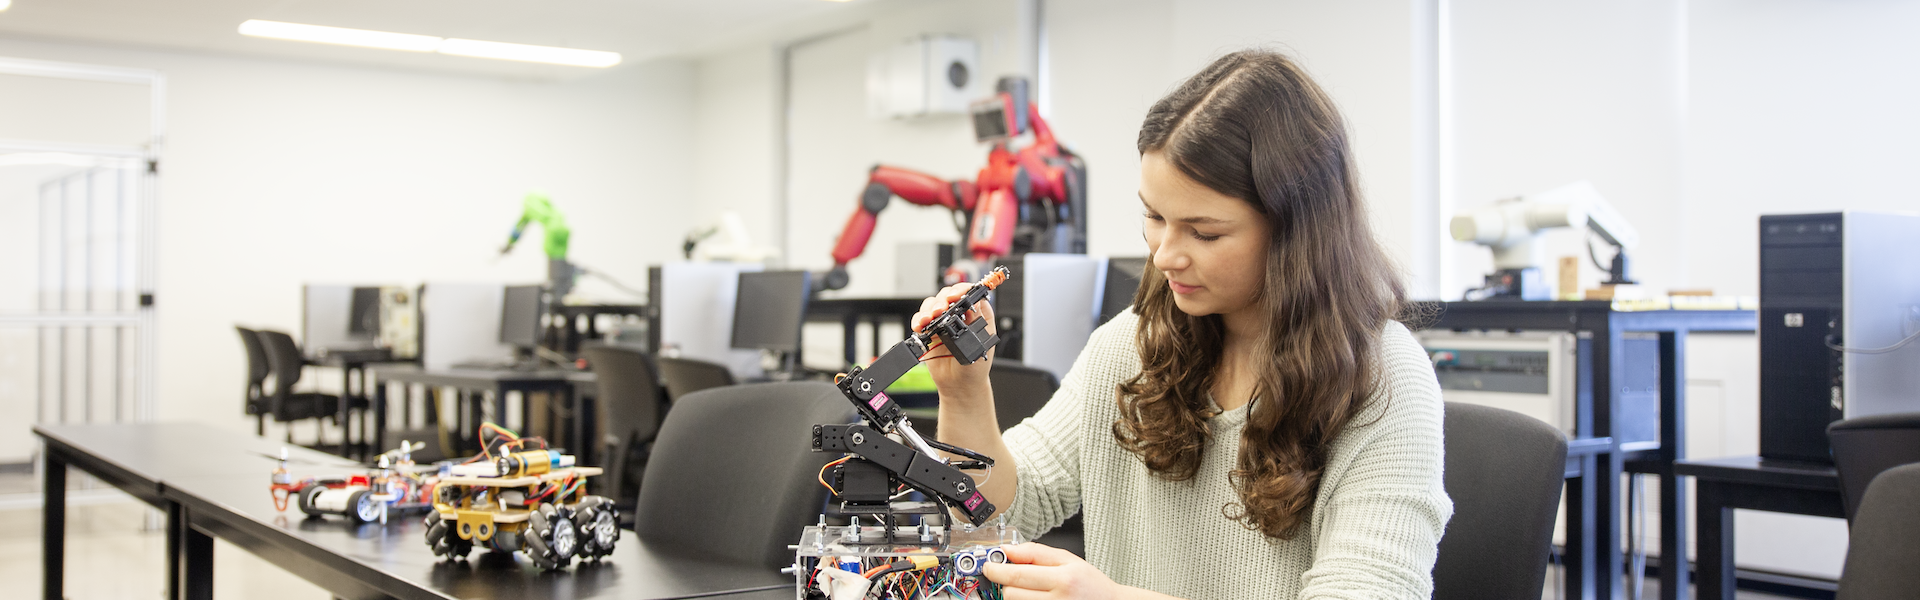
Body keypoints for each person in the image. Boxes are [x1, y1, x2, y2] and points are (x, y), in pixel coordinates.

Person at [913, 49, 1451, 599]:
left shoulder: (1383, 378)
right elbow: (997, 506)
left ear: (1296, 229)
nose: (1165, 254)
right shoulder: (1134, 342)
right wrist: (964, 395)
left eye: (1205, 233)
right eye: (1154, 216)